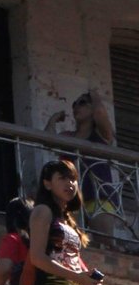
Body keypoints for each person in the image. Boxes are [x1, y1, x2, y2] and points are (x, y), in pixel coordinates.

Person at [25, 159, 138, 285]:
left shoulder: (68, 222)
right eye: (63, 178)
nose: (70, 184)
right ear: (47, 183)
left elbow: (83, 272)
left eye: (74, 179)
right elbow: (37, 257)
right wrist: (78, 278)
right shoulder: (42, 211)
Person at [47, 89, 122, 242]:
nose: (76, 107)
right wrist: (53, 119)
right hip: (70, 198)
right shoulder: (68, 136)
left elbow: (101, 115)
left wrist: (94, 94)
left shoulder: (101, 134)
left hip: (98, 196)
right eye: (74, 104)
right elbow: (47, 141)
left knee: (105, 244)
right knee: (71, 246)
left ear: (92, 107)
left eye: (82, 103)